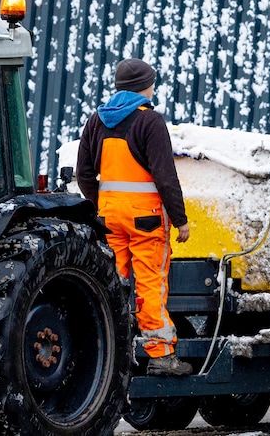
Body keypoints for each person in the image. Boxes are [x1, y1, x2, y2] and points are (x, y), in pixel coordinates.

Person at [76, 58, 192, 376]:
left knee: (108, 284)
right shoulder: (149, 121)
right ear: (145, 86)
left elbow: (84, 173)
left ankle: (105, 356)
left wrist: (101, 203)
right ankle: (161, 356)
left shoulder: (96, 121)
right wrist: (180, 218)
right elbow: (165, 175)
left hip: (109, 215)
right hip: (146, 219)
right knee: (150, 285)